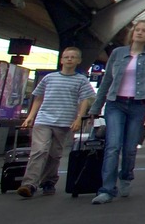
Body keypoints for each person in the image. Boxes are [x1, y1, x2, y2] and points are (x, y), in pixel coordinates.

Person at [89, 20, 145, 205]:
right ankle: (107, 189)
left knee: (130, 148)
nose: (139, 33)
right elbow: (107, 81)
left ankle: (126, 177)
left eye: (144, 31)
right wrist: (95, 107)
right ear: (132, 33)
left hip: (138, 105)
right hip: (115, 104)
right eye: (137, 30)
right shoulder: (118, 53)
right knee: (113, 146)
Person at [16, 46, 95, 198]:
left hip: (64, 122)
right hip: (43, 119)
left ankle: (48, 181)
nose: (69, 59)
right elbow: (38, 97)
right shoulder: (49, 78)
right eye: (66, 57)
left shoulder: (81, 80)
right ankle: (29, 184)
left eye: (73, 57)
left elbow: (85, 99)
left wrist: (79, 118)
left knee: (54, 154)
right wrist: (31, 116)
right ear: (61, 60)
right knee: (39, 150)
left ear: (78, 61)